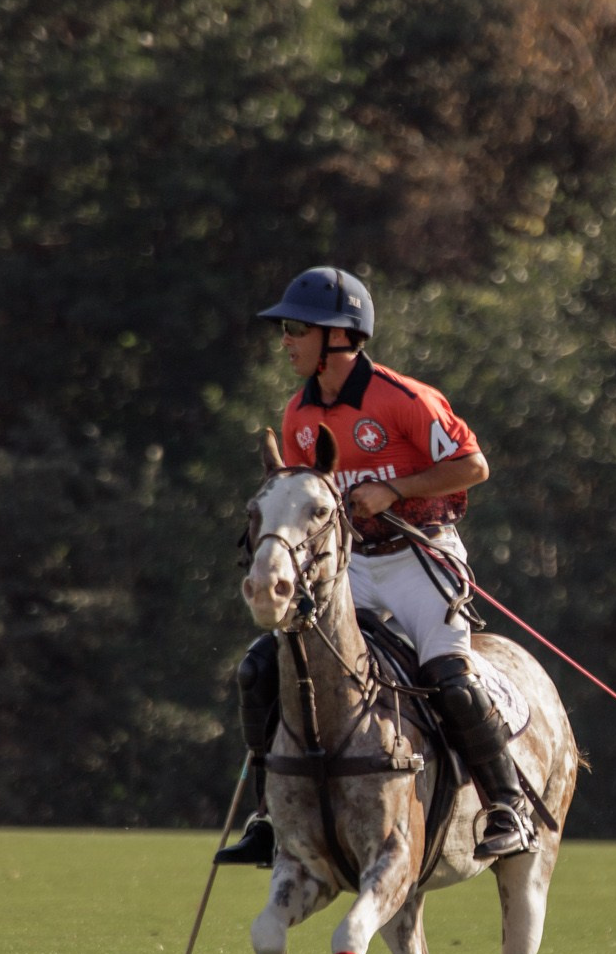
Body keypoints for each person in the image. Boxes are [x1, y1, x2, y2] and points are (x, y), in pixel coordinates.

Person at [218, 266, 537, 866]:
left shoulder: (405, 400)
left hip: (421, 555)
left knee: (451, 678)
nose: (284, 340)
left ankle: (505, 806)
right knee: (263, 667)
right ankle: (269, 815)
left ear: (337, 336)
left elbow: (473, 465)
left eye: (294, 329)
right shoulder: (298, 414)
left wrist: (394, 489)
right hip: (353, 567)